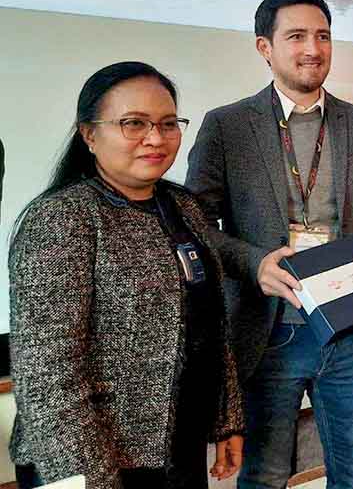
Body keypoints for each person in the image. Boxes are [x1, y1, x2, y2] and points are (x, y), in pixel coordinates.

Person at [186, 0, 353, 489]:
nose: (313, 49)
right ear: (265, 47)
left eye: (323, 36)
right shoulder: (227, 125)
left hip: (346, 325)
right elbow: (195, 225)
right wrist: (254, 264)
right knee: (265, 474)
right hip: (269, 330)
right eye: (297, 36)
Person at [9, 61, 244, 489]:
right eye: (134, 123)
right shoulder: (63, 218)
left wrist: (225, 418)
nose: (155, 138)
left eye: (168, 123)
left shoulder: (183, 207)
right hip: (95, 462)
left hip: (179, 446)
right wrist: (92, 479)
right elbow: (47, 377)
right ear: (89, 134)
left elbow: (210, 323)